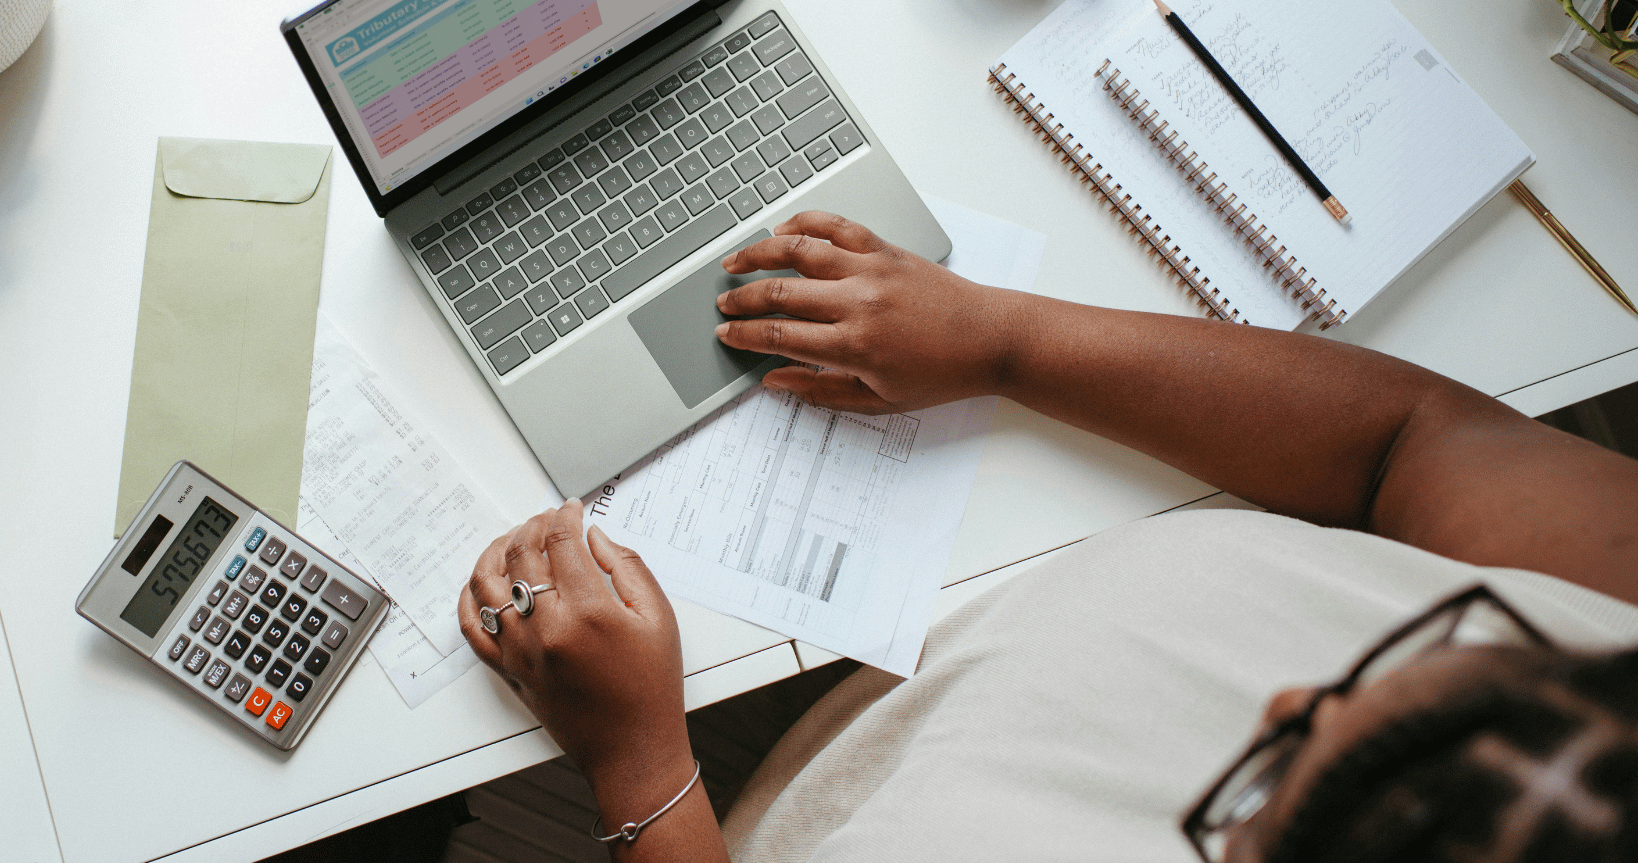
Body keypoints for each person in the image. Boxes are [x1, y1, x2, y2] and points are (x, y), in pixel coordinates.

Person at [456, 212, 1638, 863]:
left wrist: (644, 771)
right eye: (1426, 646)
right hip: (920, 663)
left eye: (1263, 792)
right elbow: (1409, 443)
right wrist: (1000, 341)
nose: (1283, 701)